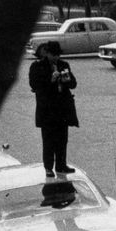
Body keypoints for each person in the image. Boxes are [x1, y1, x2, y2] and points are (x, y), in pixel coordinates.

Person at [28, 40, 78, 177]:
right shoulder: (37, 66)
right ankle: (48, 167)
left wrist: (66, 80)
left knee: (62, 140)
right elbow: (34, 85)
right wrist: (51, 79)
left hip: (62, 109)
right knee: (49, 140)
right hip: (48, 110)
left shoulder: (63, 65)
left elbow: (73, 84)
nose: (56, 58)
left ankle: (61, 165)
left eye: (58, 55)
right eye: (53, 55)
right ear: (47, 53)